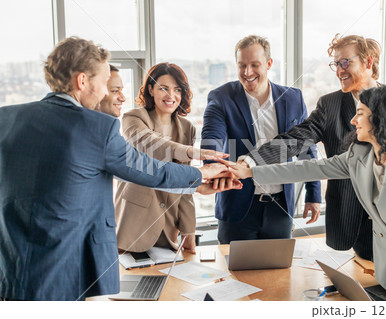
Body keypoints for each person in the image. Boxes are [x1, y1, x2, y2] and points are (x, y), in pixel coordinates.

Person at [0, 37, 234, 301]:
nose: (105, 94)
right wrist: (203, 173)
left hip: (10, 269)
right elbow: (152, 170)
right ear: (82, 82)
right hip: (64, 270)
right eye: (104, 84)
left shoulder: (5, 118)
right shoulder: (98, 128)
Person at [225, 86, 386, 301]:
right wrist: (251, 172)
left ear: (382, 119)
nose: (352, 120)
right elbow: (308, 168)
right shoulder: (359, 155)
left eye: (360, 113)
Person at [240, 34, 386, 260]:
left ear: (368, 62)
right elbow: (295, 141)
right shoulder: (330, 105)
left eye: (345, 62)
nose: (339, 71)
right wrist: (251, 161)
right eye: (335, 64)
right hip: (353, 220)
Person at [201, 35, 321, 244]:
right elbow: (212, 139)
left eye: (255, 65)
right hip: (237, 206)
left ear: (268, 64)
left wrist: (313, 193)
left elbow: (306, 146)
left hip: (281, 207)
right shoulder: (221, 97)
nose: (248, 73)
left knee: (279, 273)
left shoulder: (293, 98)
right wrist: (212, 168)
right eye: (242, 65)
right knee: (235, 274)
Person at [115, 62, 225, 254]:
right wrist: (193, 152)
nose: (171, 96)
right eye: (163, 88)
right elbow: (151, 144)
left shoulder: (186, 127)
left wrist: (188, 231)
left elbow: (186, 182)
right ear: (151, 89)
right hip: (133, 226)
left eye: (177, 90)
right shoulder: (133, 118)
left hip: (168, 227)